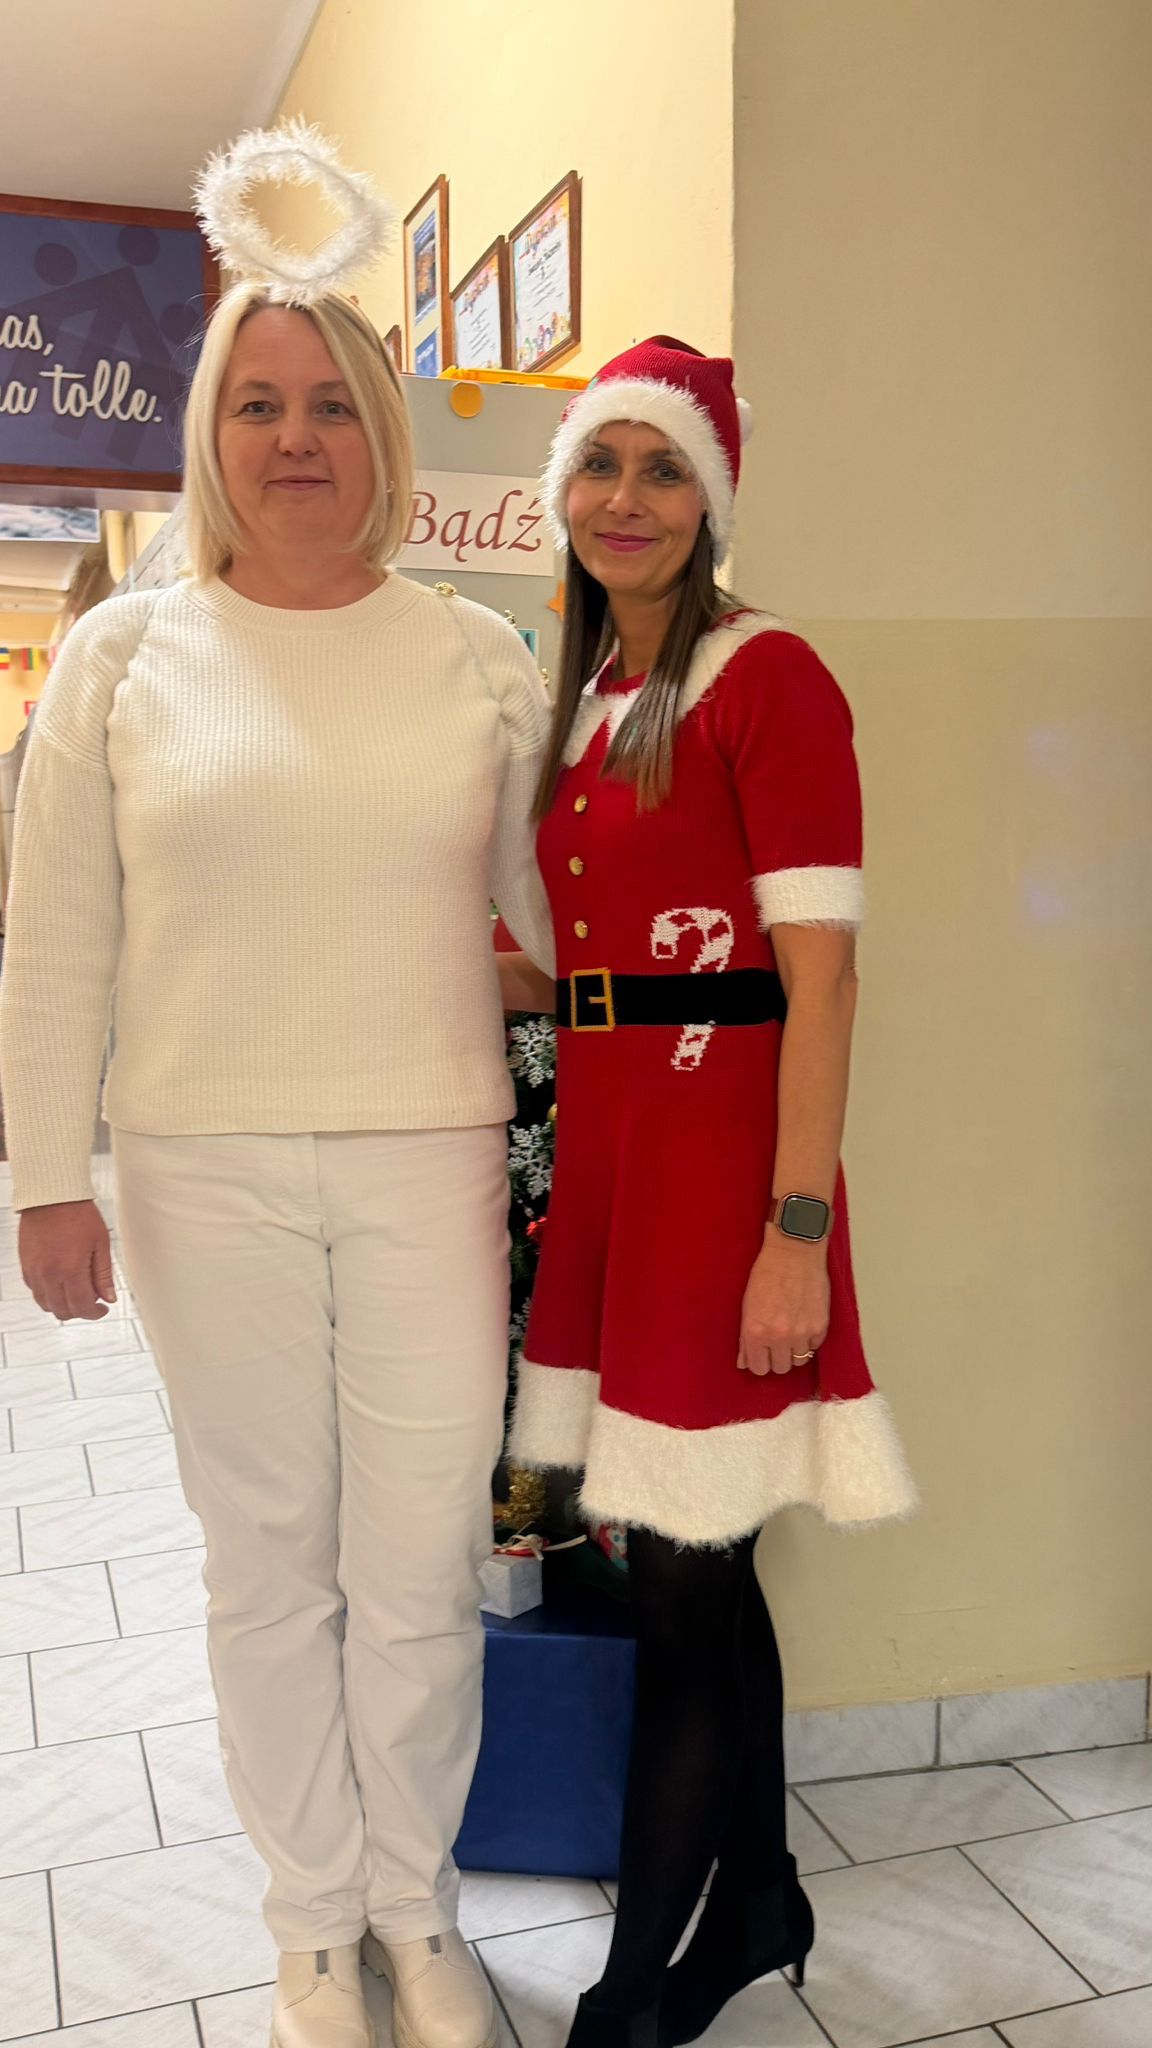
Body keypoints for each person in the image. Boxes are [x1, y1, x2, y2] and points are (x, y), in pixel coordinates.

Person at [0, 276, 554, 2048]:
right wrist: (45, 1173)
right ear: (210, 435)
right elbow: (55, 937)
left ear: (382, 437)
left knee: (418, 1570)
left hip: (431, 1159)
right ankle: (313, 1925)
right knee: (267, 1565)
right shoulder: (122, 657)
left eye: (330, 406)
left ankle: (417, 1909)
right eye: (259, 404)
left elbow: (558, 911)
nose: (296, 438)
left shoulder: (474, 654)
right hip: (199, 1167)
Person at [498, 337, 918, 2047]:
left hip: (726, 1180)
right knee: (702, 1567)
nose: (626, 499)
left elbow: (822, 980)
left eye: (663, 467)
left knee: (683, 1583)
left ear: (713, 498)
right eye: (600, 465)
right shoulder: (590, 703)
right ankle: (759, 1896)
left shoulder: (768, 675)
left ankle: (630, 1998)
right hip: (616, 1162)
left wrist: (796, 1234)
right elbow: (577, 964)